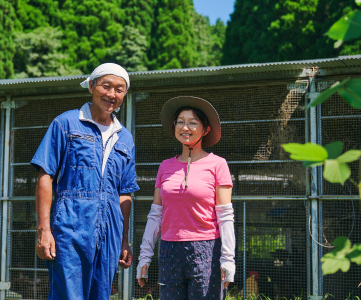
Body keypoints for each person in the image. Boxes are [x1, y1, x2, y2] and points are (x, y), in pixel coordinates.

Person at [31, 63, 140, 300]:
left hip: (110, 228)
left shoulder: (125, 138)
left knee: (101, 295)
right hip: (71, 223)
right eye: (106, 86)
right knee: (68, 294)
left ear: (124, 95)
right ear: (91, 86)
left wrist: (123, 239)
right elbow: (45, 176)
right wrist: (44, 229)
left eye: (119, 89)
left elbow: (125, 193)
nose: (112, 94)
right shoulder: (66, 123)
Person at [136, 96, 235, 300]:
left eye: (192, 122)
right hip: (169, 250)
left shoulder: (217, 164)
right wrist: (144, 255)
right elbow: (156, 214)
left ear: (205, 129)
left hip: (206, 249)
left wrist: (228, 259)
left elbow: (225, 215)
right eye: (180, 122)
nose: (185, 127)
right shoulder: (165, 166)